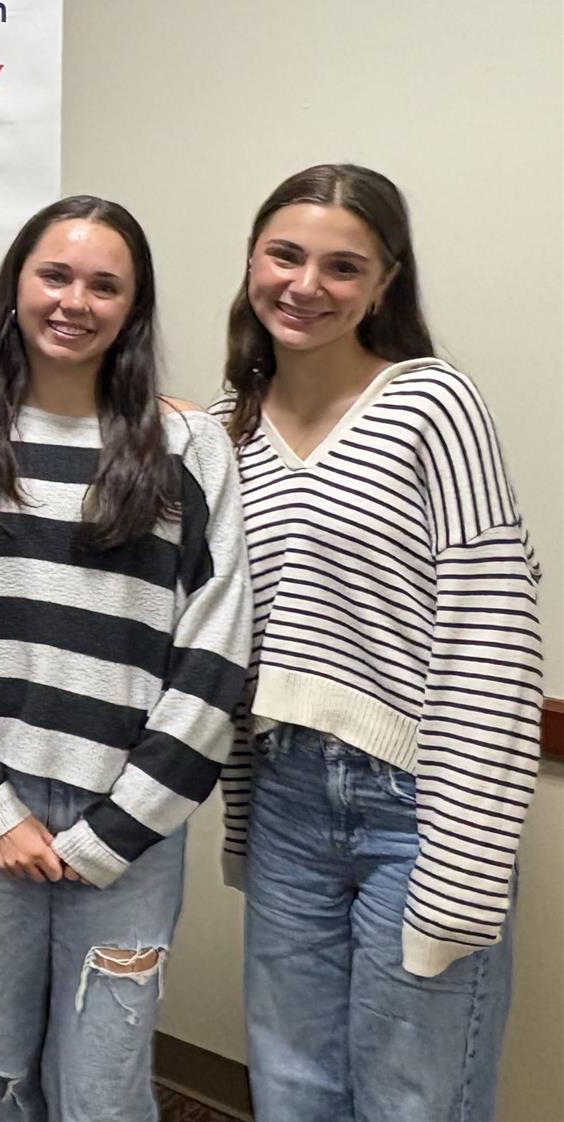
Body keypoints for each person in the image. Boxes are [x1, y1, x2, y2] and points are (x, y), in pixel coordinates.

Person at [0, 196, 249, 1122]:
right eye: (55, 275)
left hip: (131, 825)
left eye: (104, 285)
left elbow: (215, 654)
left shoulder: (188, 448)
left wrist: (119, 829)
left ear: (134, 307)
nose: (74, 302)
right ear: (17, 284)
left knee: (101, 1091)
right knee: (0, 1070)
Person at [215, 165, 543, 1122]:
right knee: (291, 1086)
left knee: (414, 1099)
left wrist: (465, 858)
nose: (305, 285)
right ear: (252, 261)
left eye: (342, 266)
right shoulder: (229, 432)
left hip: (420, 803)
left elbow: (494, 633)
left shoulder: (433, 404)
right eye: (284, 255)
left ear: (385, 284)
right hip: (287, 795)